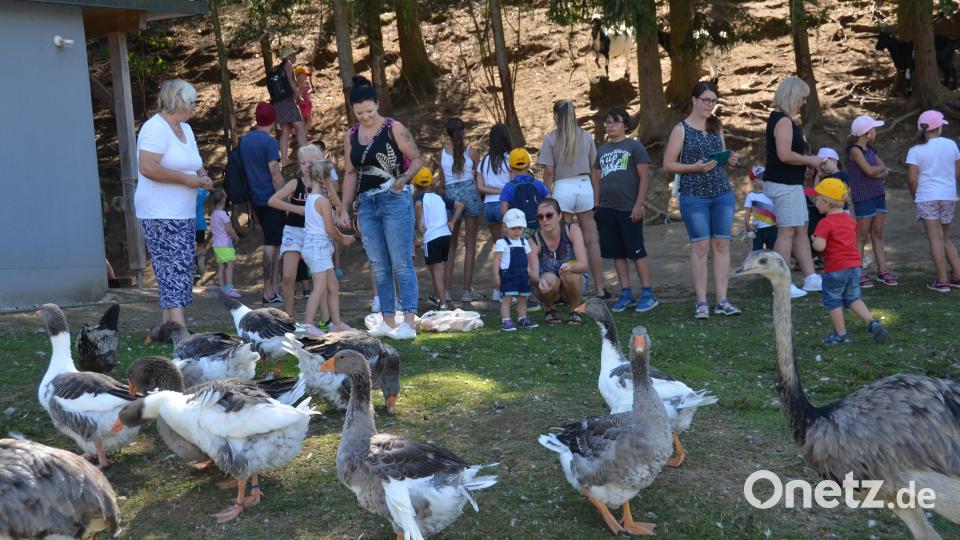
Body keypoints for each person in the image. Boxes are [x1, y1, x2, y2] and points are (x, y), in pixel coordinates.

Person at [338, 75, 423, 340]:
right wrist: (344, 208)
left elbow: (417, 159)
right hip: (366, 203)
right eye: (359, 113)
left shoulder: (393, 128)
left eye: (369, 111)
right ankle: (387, 320)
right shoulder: (350, 135)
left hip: (394, 199)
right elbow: (350, 173)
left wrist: (403, 179)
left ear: (378, 104)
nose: (365, 117)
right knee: (378, 265)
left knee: (401, 262)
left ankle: (409, 320)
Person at [135, 79, 213, 329]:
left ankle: (168, 326)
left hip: (183, 212)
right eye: (192, 102)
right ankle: (179, 328)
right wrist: (186, 180)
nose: (194, 108)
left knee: (182, 266)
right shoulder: (154, 128)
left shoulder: (186, 130)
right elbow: (148, 167)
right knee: (172, 267)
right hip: (159, 211)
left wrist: (203, 177)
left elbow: (195, 163)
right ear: (178, 101)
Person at [663, 81, 741, 319]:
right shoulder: (681, 129)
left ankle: (722, 301)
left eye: (713, 101)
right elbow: (668, 164)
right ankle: (701, 302)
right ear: (694, 100)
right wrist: (694, 167)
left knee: (722, 245)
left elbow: (721, 157)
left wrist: (730, 159)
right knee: (700, 247)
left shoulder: (717, 126)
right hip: (694, 196)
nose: (710, 105)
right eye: (706, 100)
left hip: (722, 193)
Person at [539, 100, 608, 300]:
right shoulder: (586, 136)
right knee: (591, 239)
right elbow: (595, 169)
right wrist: (596, 195)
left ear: (556, 116)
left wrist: (546, 195)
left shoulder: (552, 138)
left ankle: (567, 289)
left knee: (564, 240)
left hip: (562, 187)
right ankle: (600, 289)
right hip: (584, 186)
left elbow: (549, 171)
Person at [591, 107, 658, 313]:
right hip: (606, 209)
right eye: (607, 122)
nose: (610, 125)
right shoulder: (602, 150)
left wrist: (638, 204)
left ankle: (648, 293)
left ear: (625, 125)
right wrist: (596, 205)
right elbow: (596, 178)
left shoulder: (634, 147)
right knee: (617, 253)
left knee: (636, 251)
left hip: (629, 209)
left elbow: (644, 177)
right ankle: (626, 293)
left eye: (615, 121)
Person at [764, 76, 825, 298]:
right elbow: (784, 155)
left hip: (791, 183)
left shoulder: (785, 120)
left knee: (800, 229)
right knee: (787, 231)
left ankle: (811, 278)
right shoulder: (782, 120)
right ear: (792, 96)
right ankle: (781, 284)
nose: (804, 102)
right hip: (783, 184)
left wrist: (804, 165)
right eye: (803, 97)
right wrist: (809, 161)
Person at [810, 178, 889, 345]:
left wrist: (814, 239)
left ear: (826, 202)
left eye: (817, 198)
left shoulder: (825, 223)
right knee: (853, 298)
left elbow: (820, 247)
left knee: (834, 301)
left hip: (836, 268)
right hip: (854, 267)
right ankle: (872, 322)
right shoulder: (849, 220)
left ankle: (841, 335)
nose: (814, 201)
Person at [268, 143, 337, 318]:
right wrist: (297, 209)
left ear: (319, 163)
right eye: (303, 163)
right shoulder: (294, 183)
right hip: (294, 231)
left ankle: (325, 318)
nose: (307, 166)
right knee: (288, 276)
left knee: (320, 278)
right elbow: (272, 201)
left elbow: (337, 204)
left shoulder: (324, 186)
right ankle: (288, 316)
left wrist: (340, 215)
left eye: (310, 163)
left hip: (315, 235)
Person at [905, 110, 960, 292]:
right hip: (948, 195)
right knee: (944, 237)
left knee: (935, 238)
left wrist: (915, 195)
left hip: (927, 196)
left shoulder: (915, 150)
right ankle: (957, 276)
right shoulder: (951, 145)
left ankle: (942, 281)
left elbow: (912, 179)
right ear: (939, 127)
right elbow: (957, 170)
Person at [301, 161, 355, 336]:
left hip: (320, 248)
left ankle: (336, 324)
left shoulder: (312, 198)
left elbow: (332, 216)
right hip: (317, 248)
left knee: (333, 286)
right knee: (320, 288)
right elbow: (330, 229)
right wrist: (344, 238)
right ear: (325, 179)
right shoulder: (322, 201)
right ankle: (307, 325)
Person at [238, 102, 285, 304]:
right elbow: (275, 174)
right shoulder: (270, 142)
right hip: (271, 199)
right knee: (272, 243)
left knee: (272, 240)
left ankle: (273, 288)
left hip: (254, 198)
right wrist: (286, 197)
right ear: (273, 120)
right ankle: (268, 291)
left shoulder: (245, 140)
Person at [847, 115, 896, 288]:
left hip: (878, 195)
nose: (875, 132)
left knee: (878, 234)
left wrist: (879, 171)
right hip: (863, 197)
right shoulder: (855, 150)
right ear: (867, 133)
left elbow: (883, 171)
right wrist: (880, 170)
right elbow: (870, 171)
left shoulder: (871, 150)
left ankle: (883, 270)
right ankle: (858, 271)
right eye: (874, 129)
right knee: (861, 235)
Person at [439, 118, 485, 302]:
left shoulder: (442, 154)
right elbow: (479, 176)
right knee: (470, 243)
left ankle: (447, 291)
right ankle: (467, 291)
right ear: (463, 132)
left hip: (451, 196)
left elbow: (442, 182)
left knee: (451, 245)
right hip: (470, 193)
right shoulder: (472, 152)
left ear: (447, 133)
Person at [529, 198, 589, 324]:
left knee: (569, 274)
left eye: (549, 215)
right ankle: (550, 309)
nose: (544, 220)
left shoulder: (572, 230)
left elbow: (583, 265)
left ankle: (575, 310)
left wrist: (570, 267)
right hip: (550, 289)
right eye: (540, 217)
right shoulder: (534, 240)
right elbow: (533, 276)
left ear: (560, 216)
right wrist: (539, 281)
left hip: (574, 283)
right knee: (547, 279)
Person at [413, 167, 463, 309]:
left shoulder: (419, 199)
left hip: (432, 237)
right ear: (430, 183)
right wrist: (452, 221)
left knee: (436, 270)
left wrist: (419, 223)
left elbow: (418, 205)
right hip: (445, 235)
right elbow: (460, 205)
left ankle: (442, 304)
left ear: (415, 184)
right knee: (435, 267)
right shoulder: (439, 197)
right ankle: (437, 296)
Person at [475, 123, 513, 300]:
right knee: (510, 249)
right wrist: (502, 191)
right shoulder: (510, 159)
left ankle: (497, 290)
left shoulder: (484, 162)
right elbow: (512, 185)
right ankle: (509, 290)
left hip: (489, 207)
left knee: (499, 248)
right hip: (504, 206)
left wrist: (494, 191)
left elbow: (480, 187)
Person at [494, 209, 540, 331]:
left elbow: (526, 257)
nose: (517, 231)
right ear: (505, 228)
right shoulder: (501, 243)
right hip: (508, 275)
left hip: (522, 275)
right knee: (507, 299)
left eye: (519, 228)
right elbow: (497, 259)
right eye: (513, 228)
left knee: (523, 298)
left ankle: (522, 318)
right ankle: (506, 320)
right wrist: (496, 275)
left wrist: (528, 268)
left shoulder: (524, 242)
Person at [499, 148, 550, 232]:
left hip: (519, 229)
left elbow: (503, 210)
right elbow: (549, 202)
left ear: (510, 166)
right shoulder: (538, 184)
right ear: (529, 164)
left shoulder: (508, 187)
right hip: (539, 226)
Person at [274, 46, 307, 165]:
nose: (295, 57)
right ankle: (307, 157)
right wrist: (298, 95)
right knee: (300, 127)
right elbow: (290, 80)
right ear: (289, 56)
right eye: (294, 55)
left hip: (278, 103)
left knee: (285, 130)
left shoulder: (279, 67)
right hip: (287, 102)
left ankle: (284, 160)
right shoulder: (288, 64)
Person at [208, 189, 241, 298]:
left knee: (221, 266)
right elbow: (229, 230)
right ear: (223, 199)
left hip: (217, 245)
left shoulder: (213, 214)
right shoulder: (223, 215)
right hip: (226, 245)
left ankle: (222, 288)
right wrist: (236, 238)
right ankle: (229, 289)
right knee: (230, 266)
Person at [744, 166, 778, 250]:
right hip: (758, 229)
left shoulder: (771, 194)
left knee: (773, 252)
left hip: (772, 228)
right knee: (756, 252)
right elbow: (747, 212)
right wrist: (747, 225)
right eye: (762, 178)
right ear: (754, 181)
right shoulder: (751, 196)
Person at [194, 186, 209, 277]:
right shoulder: (202, 192)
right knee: (200, 246)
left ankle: (192, 268)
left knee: (189, 247)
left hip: (189, 223)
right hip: (200, 224)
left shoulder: (187, 191)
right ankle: (199, 268)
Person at [294, 66, 313, 133]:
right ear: (299, 76)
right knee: (303, 119)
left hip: (307, 103)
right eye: (304, 74)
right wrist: (300, 94)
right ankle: (302, 133)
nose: (306, 76)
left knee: (309, 118)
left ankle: (305, 132)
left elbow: (311, 89)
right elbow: (296, 93)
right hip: (301, 104)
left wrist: (308, 92)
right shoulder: (296, 84)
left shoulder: (307, 82)